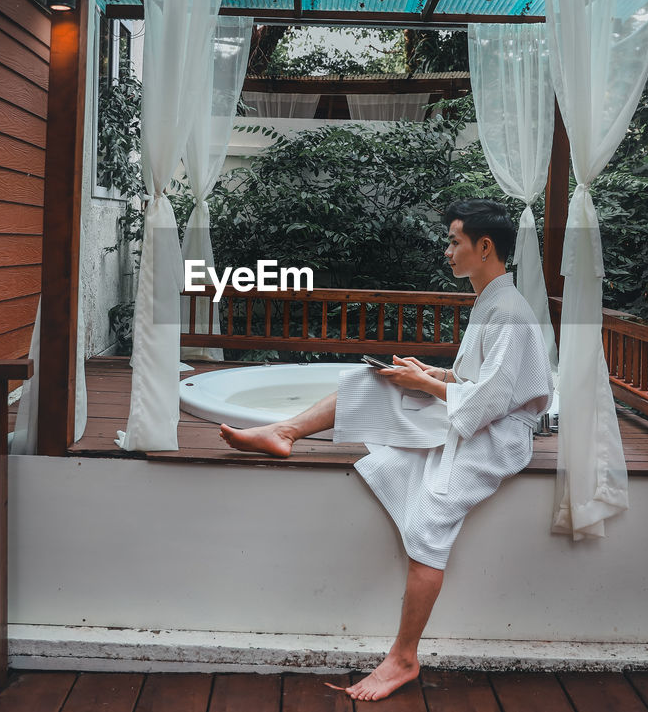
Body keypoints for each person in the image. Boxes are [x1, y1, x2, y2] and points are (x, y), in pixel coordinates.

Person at [219, 199, 554, 702]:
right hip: (479, 415)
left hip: (499, 436)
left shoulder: (507, 310)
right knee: (374, 381)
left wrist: (427, 382)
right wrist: (429, 375)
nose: (447, 251)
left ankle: (403, 656)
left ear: (484, 248)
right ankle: (284, 431)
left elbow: (492, 400)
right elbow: (477, 382)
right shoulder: (491, 300)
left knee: (432, 517)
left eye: (454, 242)